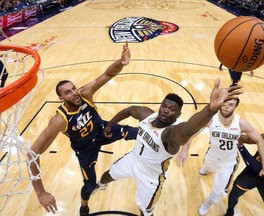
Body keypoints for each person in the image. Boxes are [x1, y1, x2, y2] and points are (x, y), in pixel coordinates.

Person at [93, 79, 244, 216]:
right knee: (107, 175)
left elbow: (189, 128)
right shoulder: (146, 115)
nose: (166, 110)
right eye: (164, 106)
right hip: (133, 160)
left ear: (178, 114)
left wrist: (210, 109)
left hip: (150, 177)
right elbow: (130, 110)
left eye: (172, 109)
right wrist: (110, 125)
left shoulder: (171, 133)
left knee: (144, 210)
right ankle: (101, 185)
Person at [28, 42, 138, 216]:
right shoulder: (59, 120)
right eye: (68, 93)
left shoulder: (85, 93)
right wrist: (40, 192)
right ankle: (84, 206)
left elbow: (108, 74)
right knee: (89, 185)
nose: (74, 93)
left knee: (136, 133)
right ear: (60, 98)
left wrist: (122, 62)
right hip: (85, 149)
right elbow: (32, 154)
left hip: (103, 130)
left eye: (73, 88)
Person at [176, 98, 264, 216]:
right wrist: (184, 149)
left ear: (236, 106)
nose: (226, 107)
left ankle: (208, 203)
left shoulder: (241, 123)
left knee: (218, 191)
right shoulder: (211, 119)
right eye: (224, 104)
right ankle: (206, 169)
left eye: (230, 105)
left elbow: (259, 140)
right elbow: (192, 133)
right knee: (206, 167)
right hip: (212, 155)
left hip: (228, 162)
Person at [225, 125, 264, 216]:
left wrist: (242, 148)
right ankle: (229, 212)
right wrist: (232, 134)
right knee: (235, 192)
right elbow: (247, 139)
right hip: (251, 174)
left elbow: (262, 170)